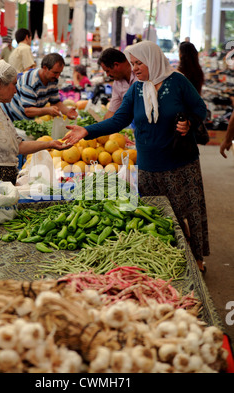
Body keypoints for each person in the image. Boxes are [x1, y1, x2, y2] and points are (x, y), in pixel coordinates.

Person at [63, 41, 209, 272]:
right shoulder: (136, 89)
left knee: (186, 212)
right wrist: (87, 130)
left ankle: (196, 258)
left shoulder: (178, 82)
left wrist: (189, 122)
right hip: (148, 166)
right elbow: (119, 120)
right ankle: (169, 261)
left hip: (179, 162)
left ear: (153, 60)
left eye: (139, 62)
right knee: (156, 218)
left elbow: (201, 109)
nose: (135, 68)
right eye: (132, 63)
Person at [1, 53, 78, 121]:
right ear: (45, 68)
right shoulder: (30, 81)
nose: (57, 76)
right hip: (9, 117)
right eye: (55, 73)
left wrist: (68, 111)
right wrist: (47, 110)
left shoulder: (52, 80)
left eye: (59, 73)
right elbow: (28, 111)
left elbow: (56, 102)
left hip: (25, 121)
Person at [97, 48, 138, 120]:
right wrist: (100, 128)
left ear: (116, 65)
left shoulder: (140, 72)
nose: (107, 75)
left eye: (108, 71)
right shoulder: (117, 83)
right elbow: (112, 111)